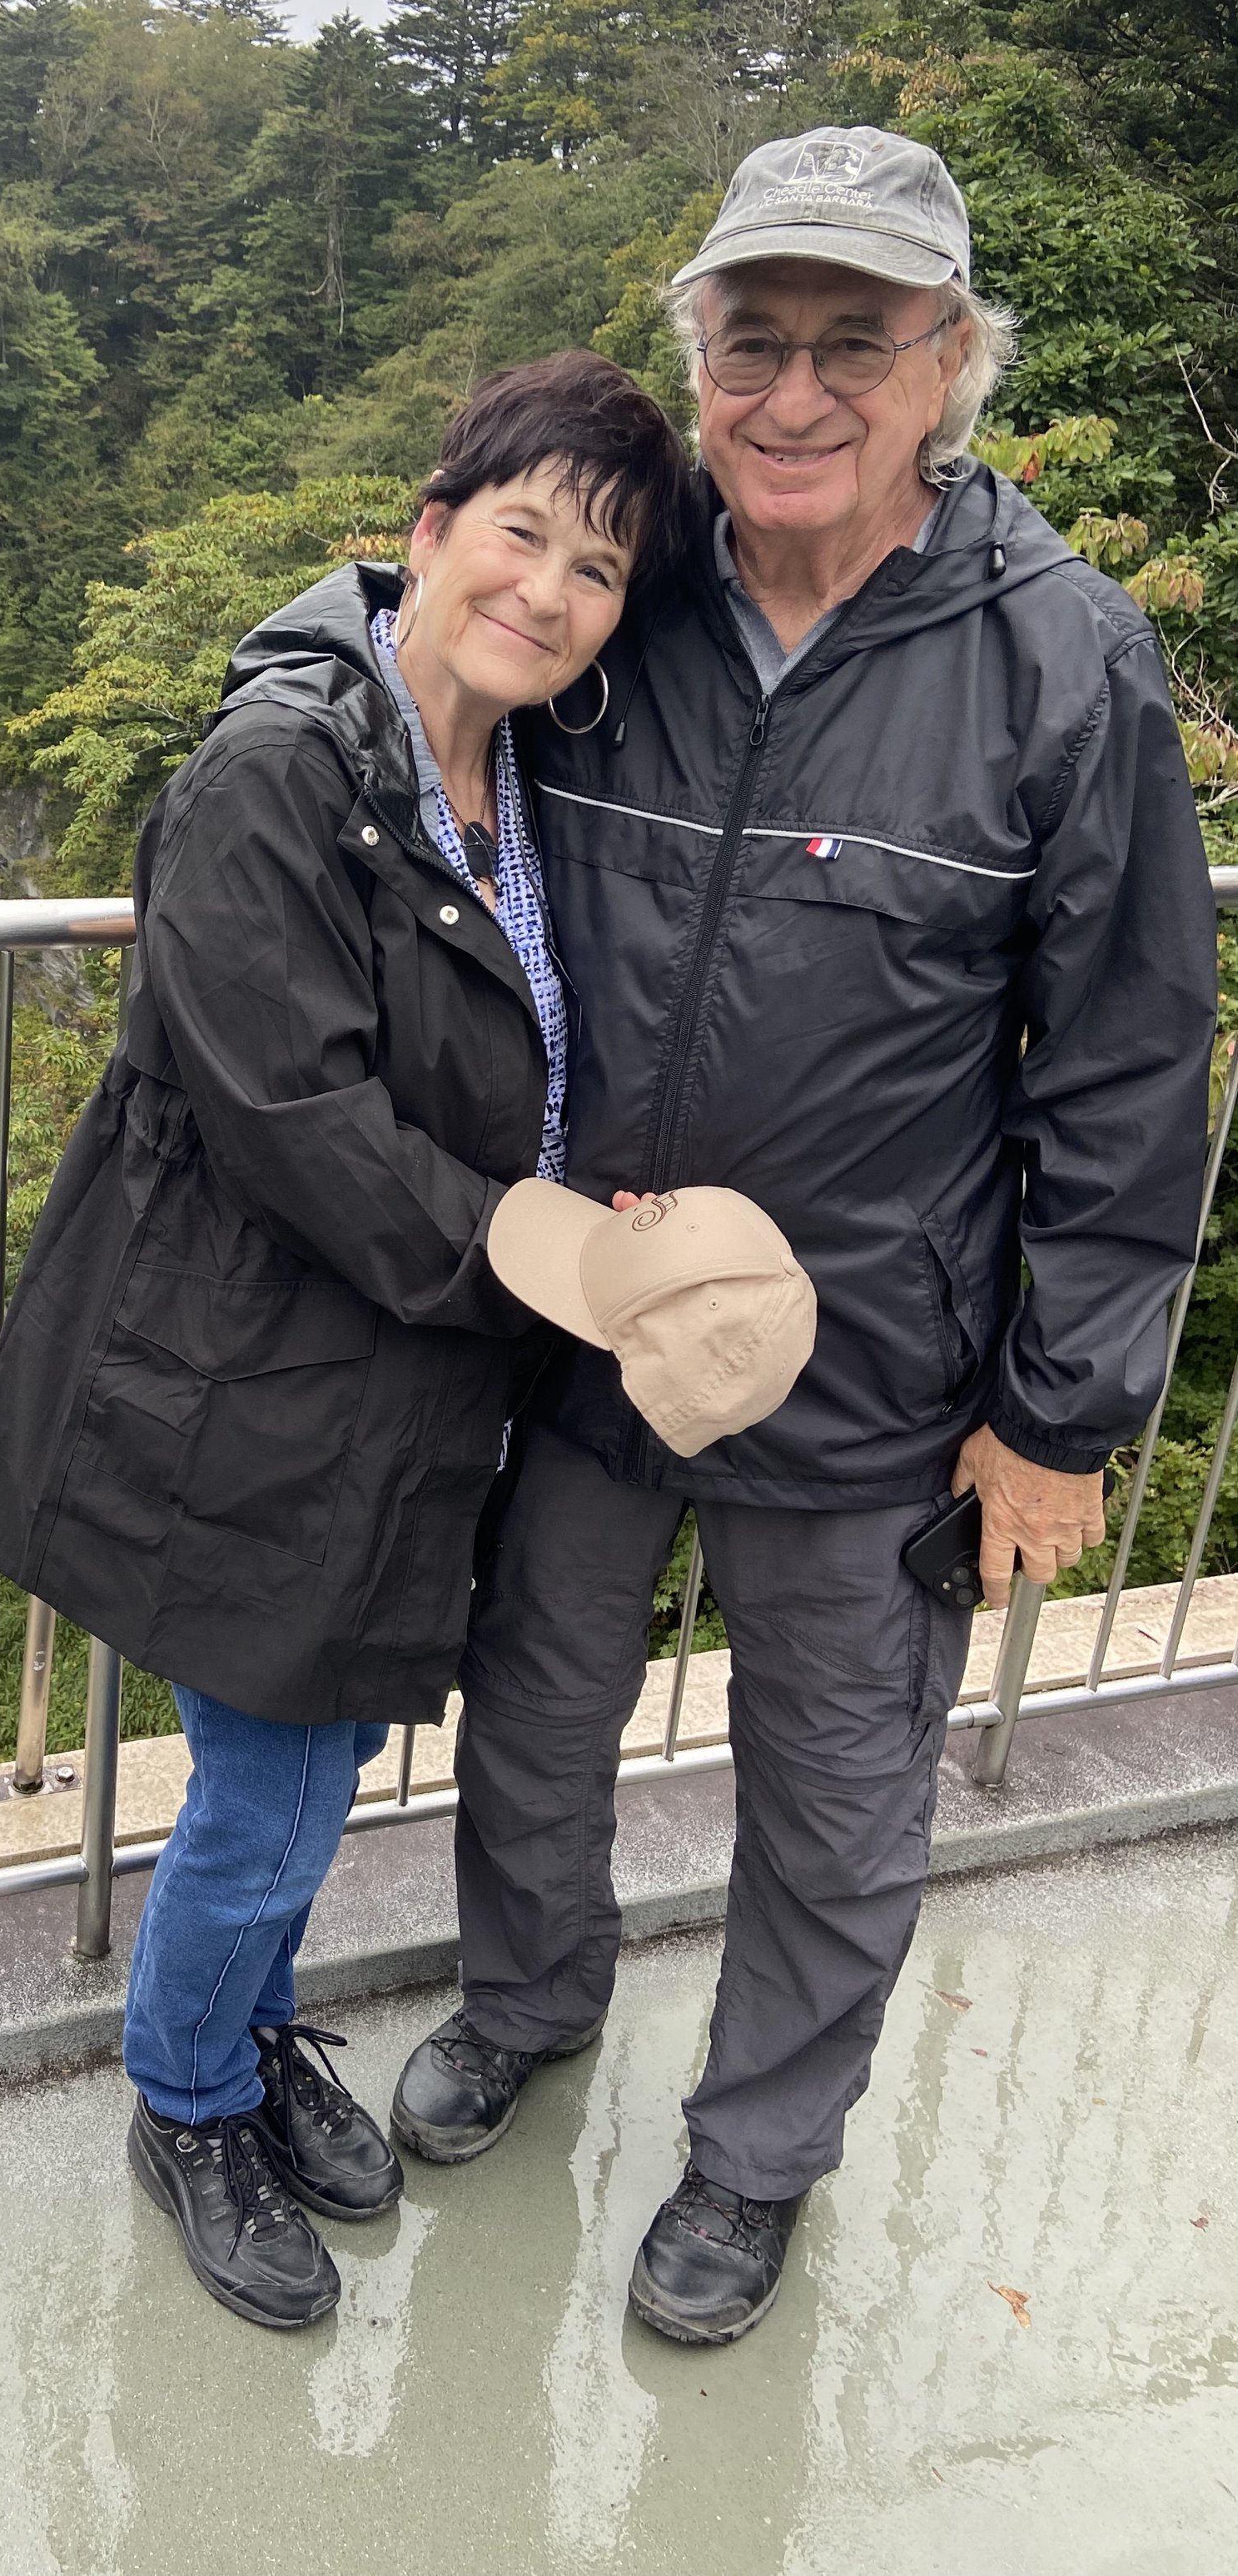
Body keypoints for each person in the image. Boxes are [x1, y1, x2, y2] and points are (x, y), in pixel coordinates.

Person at [390, 126, 1221, 2346]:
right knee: (536, 1706)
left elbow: (1129, 1066)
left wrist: (1059, 1412)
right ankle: (527, 2002)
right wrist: (318, 652)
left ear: (945, 365)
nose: (790, 394)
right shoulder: (628, 592)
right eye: (750, 341)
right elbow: (425, 626)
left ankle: (752, 2160)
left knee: (834, 1794)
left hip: (873, 1365)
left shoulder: (1063, 658)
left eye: (853, 343)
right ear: (698, 357)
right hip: (598, 1324)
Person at [0, 353, 697, 2328]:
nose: (548, 590)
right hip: (251, 1372)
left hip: (398, 1372)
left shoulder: (510, 776)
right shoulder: (280, 768)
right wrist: (555, 1256)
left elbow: (498, 1081)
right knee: (272, 1785)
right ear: (431, 528)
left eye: (600, 567)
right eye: (519, 533)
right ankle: (185, 2093)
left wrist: (583, 1202)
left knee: (305, 1754)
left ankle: (253, 2031)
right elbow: (304, 1134)